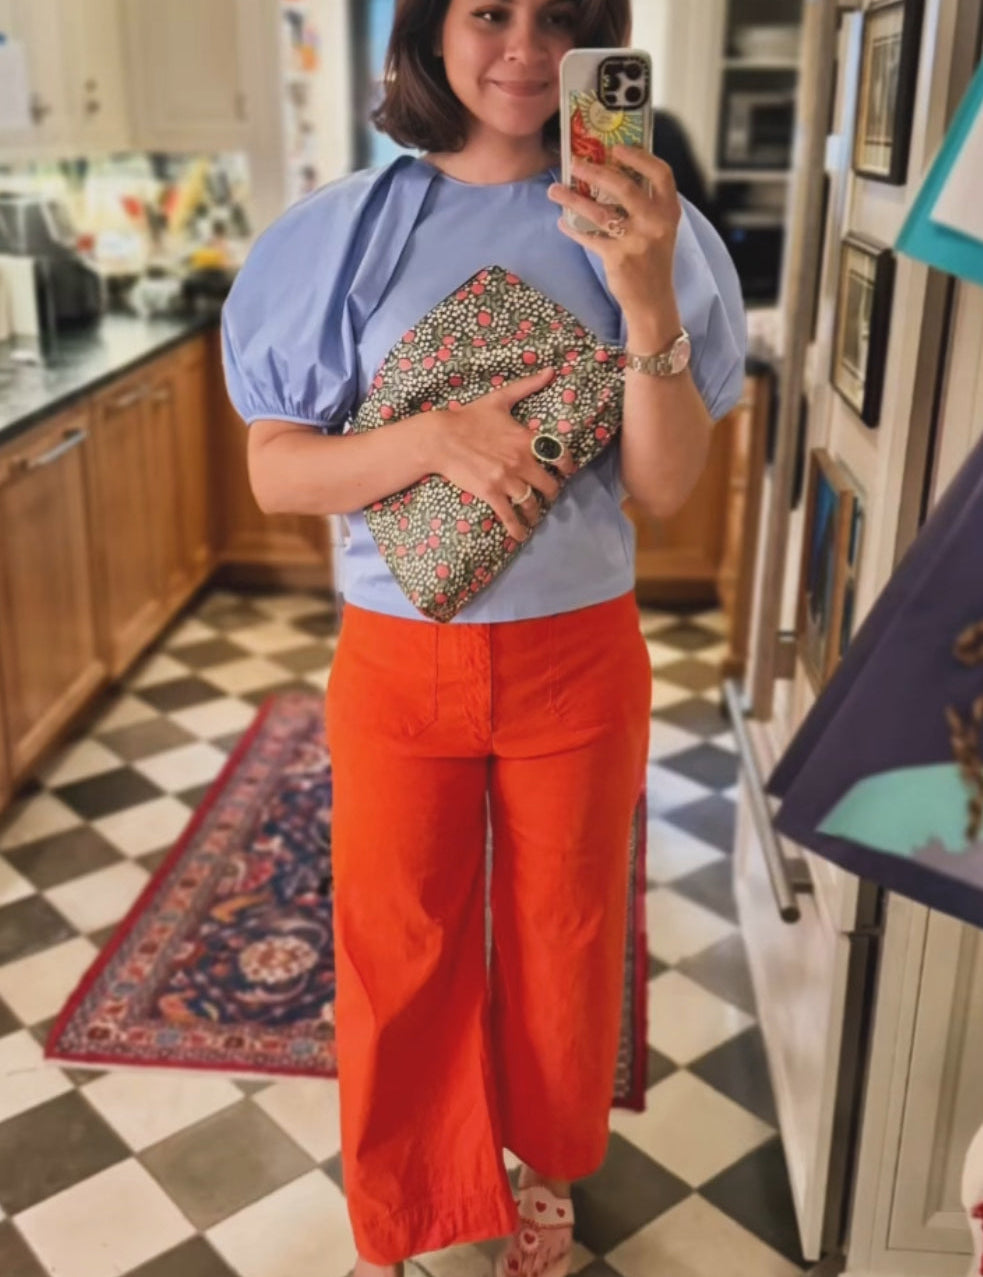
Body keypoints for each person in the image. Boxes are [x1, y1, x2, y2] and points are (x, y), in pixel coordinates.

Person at [220, 1, 746, 1274]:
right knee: (397, 942)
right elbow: (277, 471)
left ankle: (542, 1167)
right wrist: (431, 438)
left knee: (567, 933)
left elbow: (664, 485)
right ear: (428, 30)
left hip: (579, 655)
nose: (524, 48)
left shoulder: (652, 227)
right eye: (489, 12)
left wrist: (641, 293)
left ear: (598, 38)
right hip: (400, 656)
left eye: (558, 18)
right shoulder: (344, 232)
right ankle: (400, 1208)